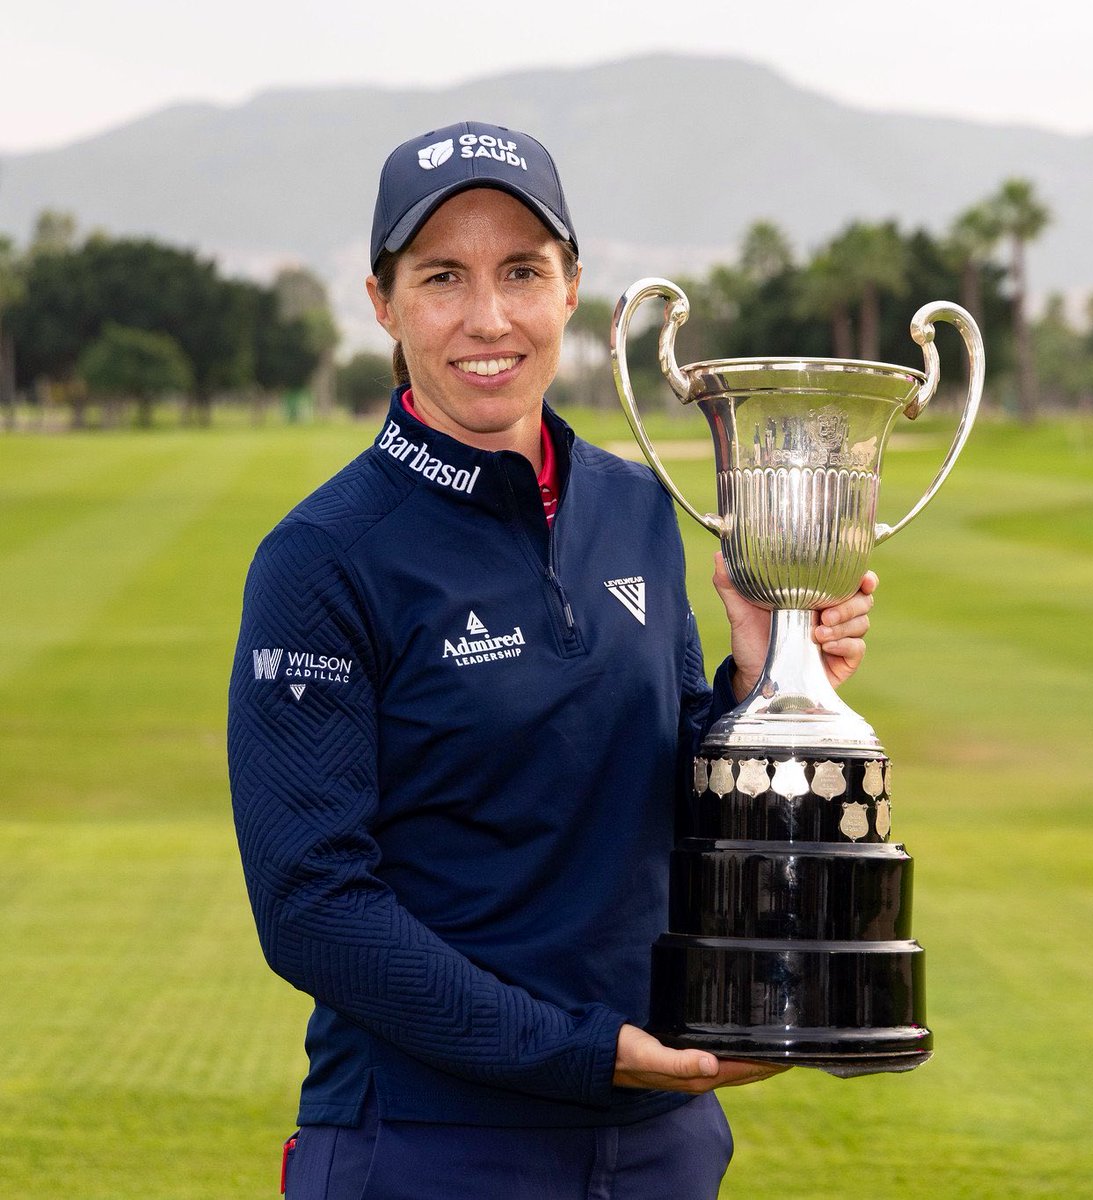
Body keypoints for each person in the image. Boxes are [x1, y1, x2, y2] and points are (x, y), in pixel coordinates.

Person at [228, 120, 877, 1200]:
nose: (488, 318)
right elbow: (312, 906)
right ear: (383, 302)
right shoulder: (322, 557)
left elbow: (662, 790)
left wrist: (759, 689)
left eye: (523, 271)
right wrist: (582, 1052)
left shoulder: (635, 507)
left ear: (572, 287)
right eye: (442, 276)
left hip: (660, 1139)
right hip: (429, 1142)